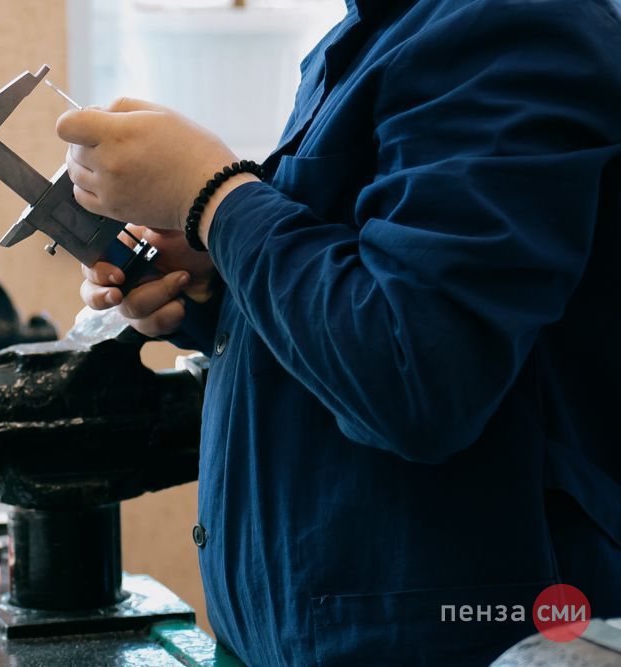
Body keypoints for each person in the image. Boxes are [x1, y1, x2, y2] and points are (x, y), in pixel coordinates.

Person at [56, 0, 621, 664]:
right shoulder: (372, 33)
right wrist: (213, 282)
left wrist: (214, 199)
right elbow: (356, 296)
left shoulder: (514, 25)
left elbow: (414, 372)